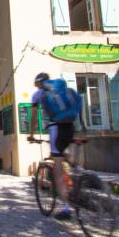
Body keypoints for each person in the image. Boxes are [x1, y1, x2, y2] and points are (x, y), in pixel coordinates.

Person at [28, 72, 85, 221]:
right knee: (61, 153)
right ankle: (78, 170)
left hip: (56, 128)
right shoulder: (63, 90)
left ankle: (67, 208)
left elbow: (33, 115)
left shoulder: (38, 95)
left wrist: (31, 134)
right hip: (70, 126)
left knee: (57, 166)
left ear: (38, 83)